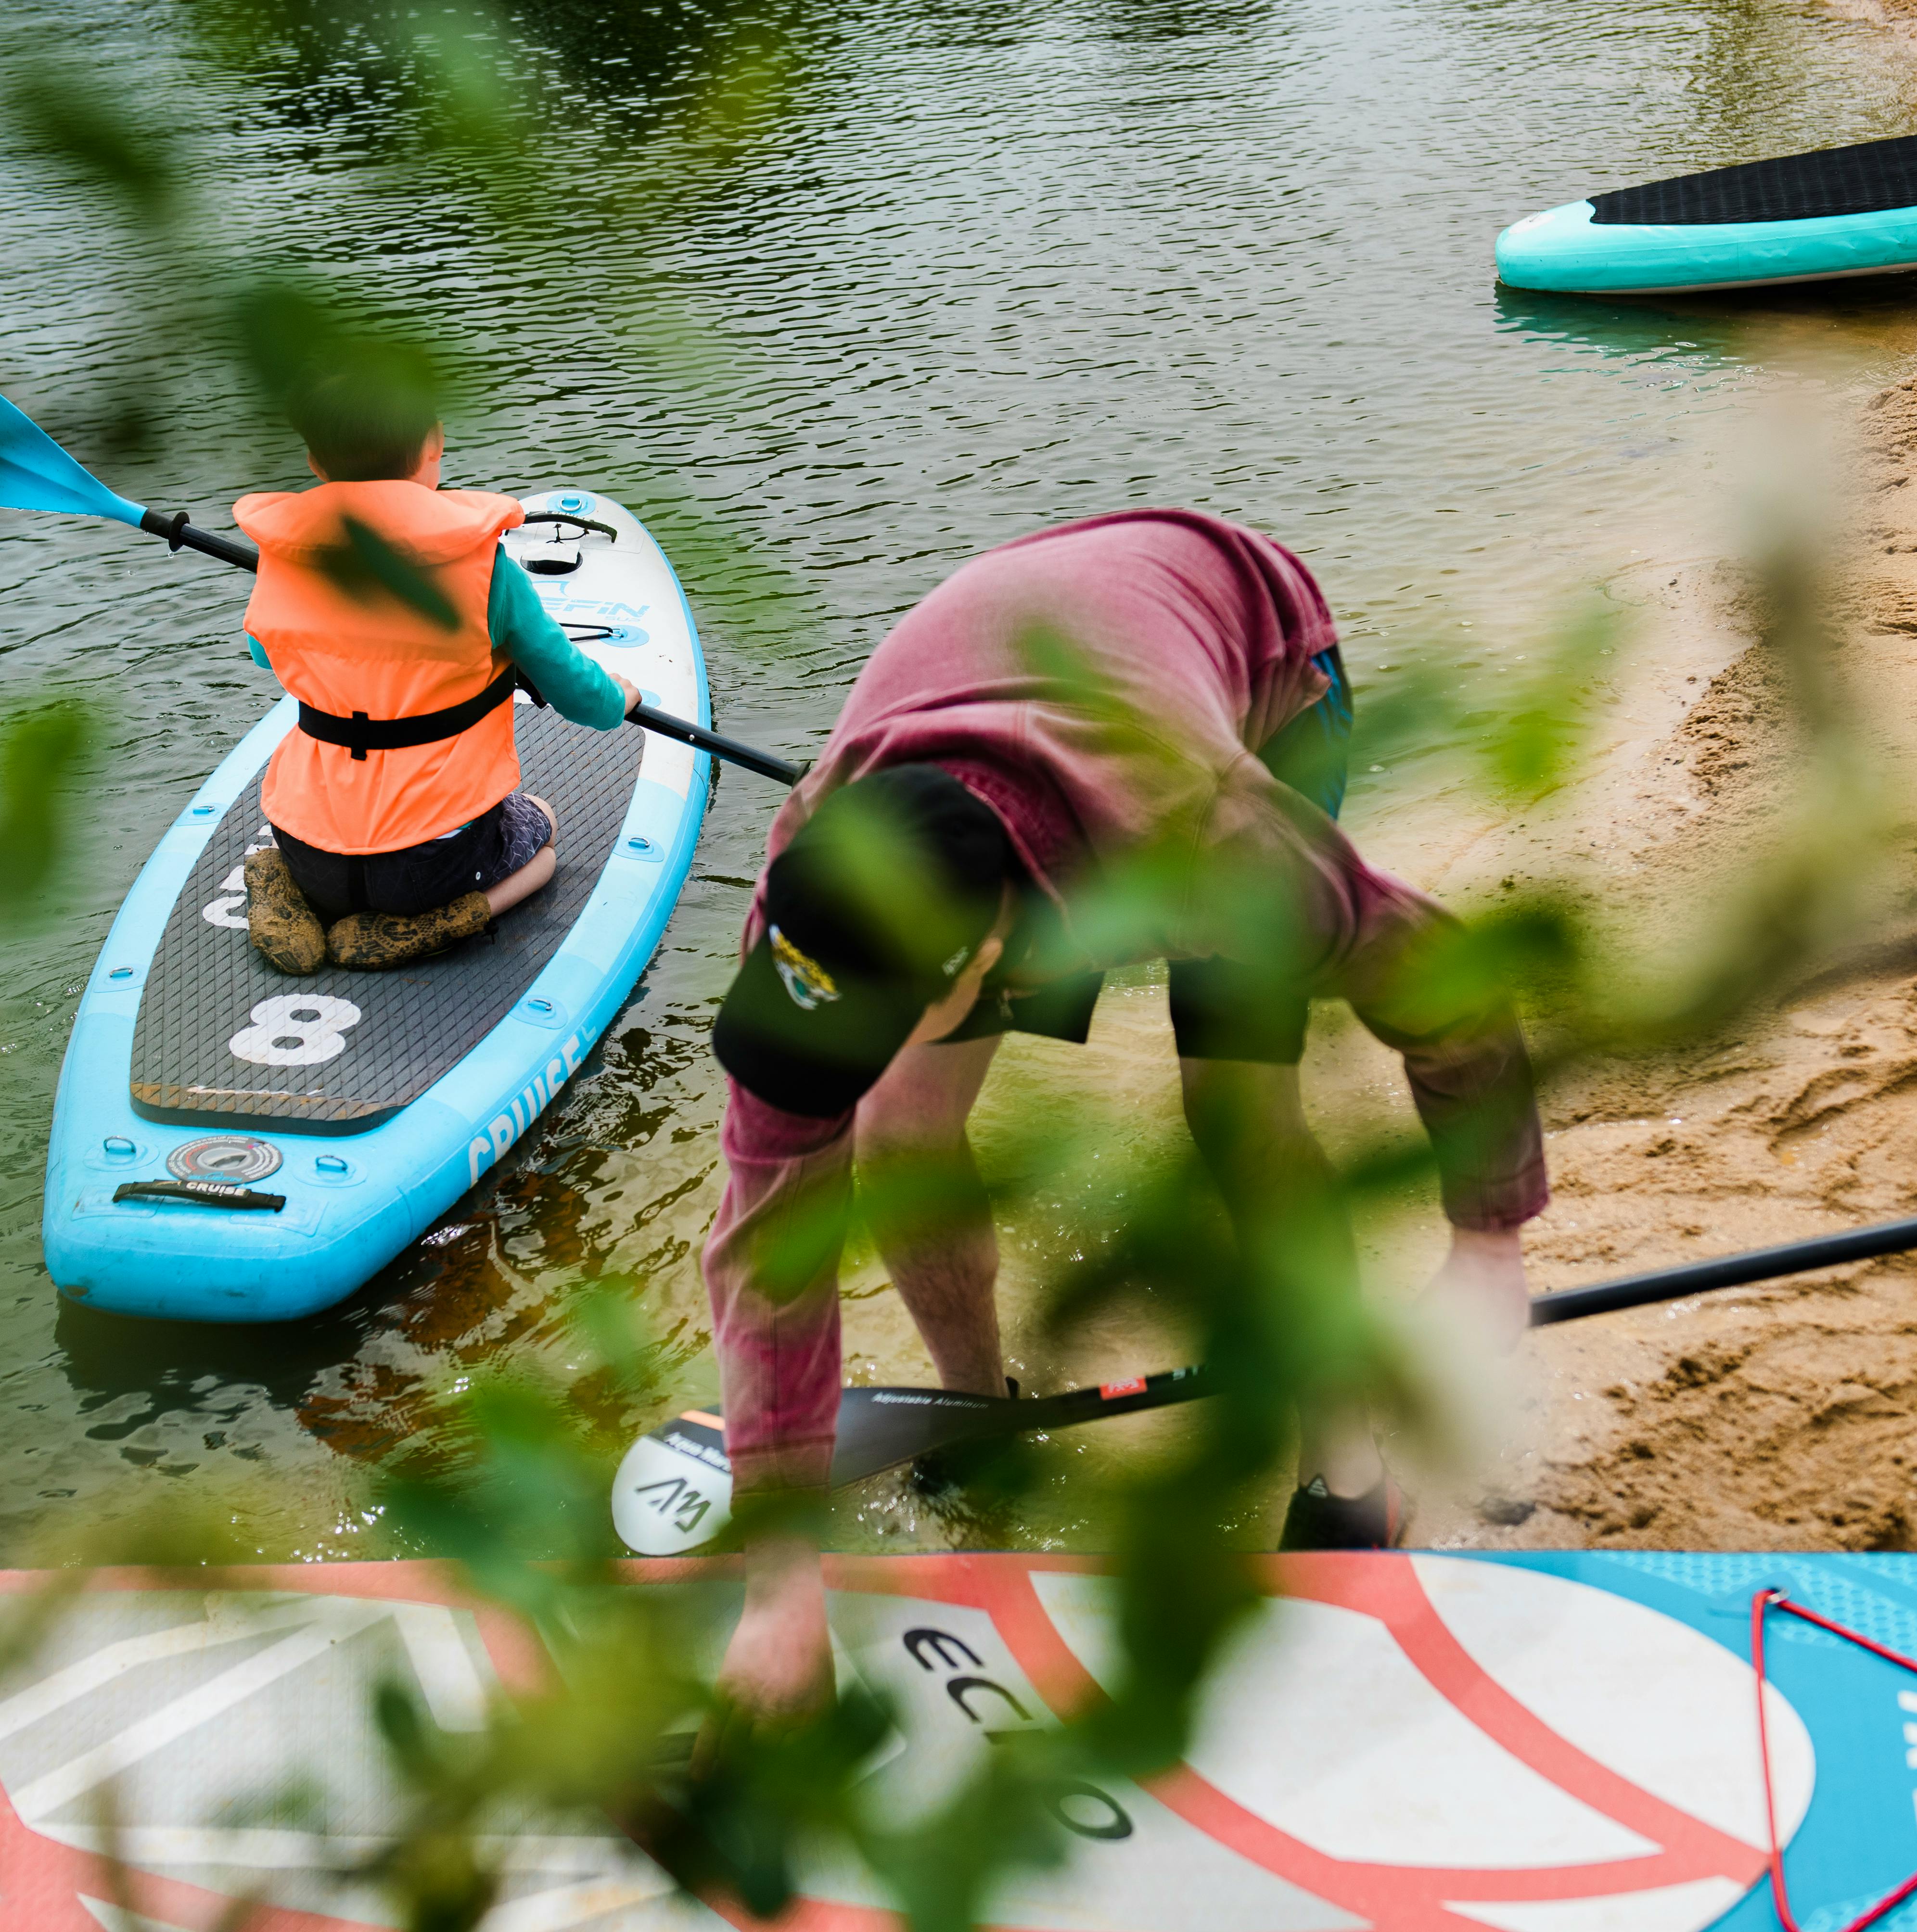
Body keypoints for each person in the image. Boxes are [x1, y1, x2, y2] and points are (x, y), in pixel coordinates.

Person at [698, 509, 1549, 1715]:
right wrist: (778, 1585)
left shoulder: (1212, 837)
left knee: (1237, 1110)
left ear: (992, 959)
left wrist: (1486, 1238)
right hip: (1004, 673)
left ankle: (1347, 1465)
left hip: (1254, 664)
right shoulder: (812, 878)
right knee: (896, 1127)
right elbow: (764, 1242)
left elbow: (1443, 986)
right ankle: (982, 1418)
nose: (829, 1046)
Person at [233, 363, 639, 974]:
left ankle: (282, 882)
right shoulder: (487, 571)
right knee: (543, 833)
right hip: (430, 868)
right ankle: (433, 926)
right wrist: (621, 698)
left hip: (309, 846)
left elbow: (267, 651)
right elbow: (585, 699)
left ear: (316, 463)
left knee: (329, 846)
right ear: (434, 443)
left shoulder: (287, 559)